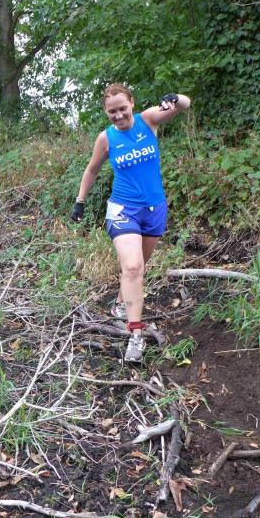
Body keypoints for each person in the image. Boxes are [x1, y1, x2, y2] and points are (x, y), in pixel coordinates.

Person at [70, 84, 191, 362]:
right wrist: (80, 200)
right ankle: (135, 336)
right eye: (112, 111)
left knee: (137, 267)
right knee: (133, 267)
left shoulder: (148, 120)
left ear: (132, 104)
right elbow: (92, 169)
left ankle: (120, 305)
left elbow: (185, 105)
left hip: (154, 208)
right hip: (123, 209)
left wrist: (176, 98)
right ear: (106, 112)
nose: (118, 115)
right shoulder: (107, 138)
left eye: (122, 108)